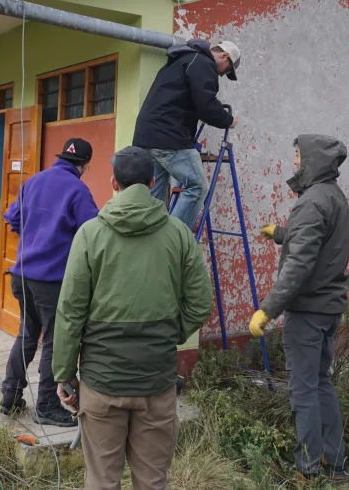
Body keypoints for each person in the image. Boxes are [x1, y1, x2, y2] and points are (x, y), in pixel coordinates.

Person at [53, 146, 213, 490]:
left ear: (114, 183)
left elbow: (70, 312)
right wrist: (168, 335)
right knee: (152, 482)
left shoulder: (90, 234)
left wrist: (64, 375)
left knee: (101, 480)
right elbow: (200, 303)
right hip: (156, 383)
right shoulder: (179, 234)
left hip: (101, 383)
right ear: (153, 181)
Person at [249, 135, 349, 481]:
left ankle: (307, 470)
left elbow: (299, 264)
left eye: (297, 156)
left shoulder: (311, 202)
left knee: (304, 390)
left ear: (311, 160)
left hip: (307, 313)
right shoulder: (333, 196)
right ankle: (334, 462)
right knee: (321, 383)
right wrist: (279, 232)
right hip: (327, 309)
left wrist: (268, 309)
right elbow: (315, 240)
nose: (294, 163)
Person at [0, 137, 100, 427]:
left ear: (60, 157)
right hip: (51, 283)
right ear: (84, 165)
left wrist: (35, 235)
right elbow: (92, 232)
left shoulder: (34, 181)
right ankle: (47, 407)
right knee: (55, 343)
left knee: (27, 335)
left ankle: (9, 397)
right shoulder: (78, 189)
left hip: (21, 275)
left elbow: (12, 218)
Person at [132, 38, 241, 231]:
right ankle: (171, 239)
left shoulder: (182, 59)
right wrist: (228, 120)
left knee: (155, 194)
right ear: (224, 56)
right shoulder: (203, 63)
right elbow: (206, 105)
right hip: (168, 136)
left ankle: (150, 238)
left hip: (147, 135)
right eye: (227, 70)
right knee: (197, 187)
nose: (223, 74)